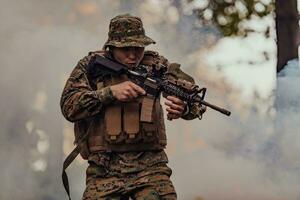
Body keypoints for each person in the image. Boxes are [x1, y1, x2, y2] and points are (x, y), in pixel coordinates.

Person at [60, 13, 206, 200]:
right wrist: (109, 93)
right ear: (111, 47)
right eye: (126, 49)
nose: (133, 55)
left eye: (138, 48)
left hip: (150, 166)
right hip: (104, 169)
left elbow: (195, 100)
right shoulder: (90, 67)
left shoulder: (157, 66)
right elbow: (69, 106)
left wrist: (184, 108)